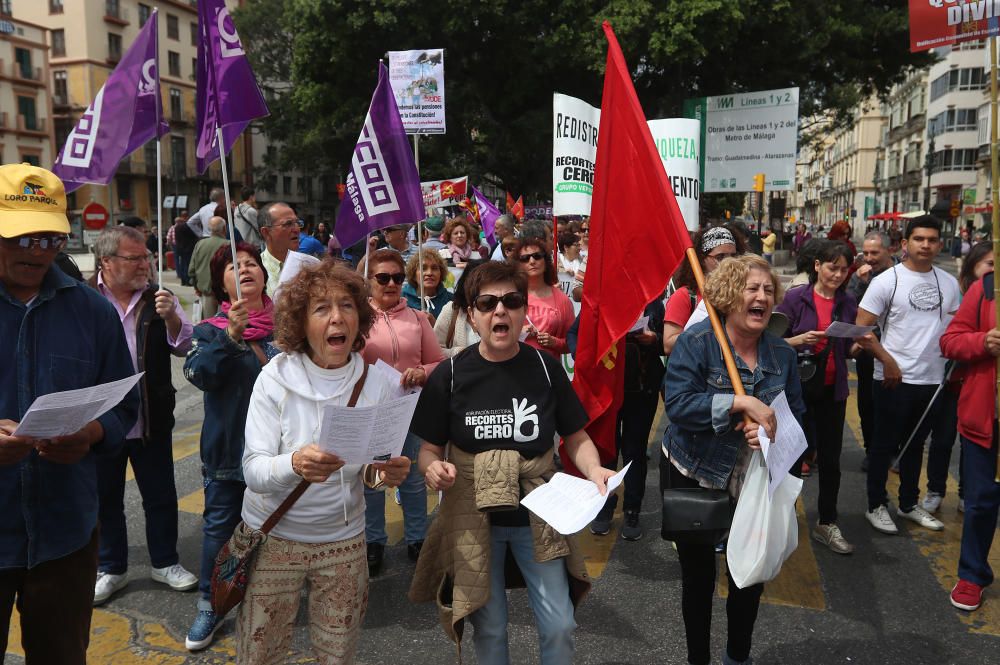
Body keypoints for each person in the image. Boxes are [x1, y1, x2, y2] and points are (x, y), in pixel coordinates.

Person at [409, 260, 615, 664]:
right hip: (474, 517)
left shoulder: (545, 367)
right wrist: (432, 468)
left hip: (537, 515)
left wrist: (594, 470)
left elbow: (576, 437)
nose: (499, 311)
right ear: (471, 314)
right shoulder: (448, 375)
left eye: (511, 301)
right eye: (486, 303)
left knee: (559, 623)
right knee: (490, 627)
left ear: (524, 311)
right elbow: (429, 450)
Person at [236, 260, 411, 663]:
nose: (337, 317)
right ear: (301, 322)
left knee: (337, 653)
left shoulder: (378, 382)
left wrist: (386, 473)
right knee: (261, 653)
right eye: (321, 308)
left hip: (344, 543)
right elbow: (254, 470)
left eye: (347, 306)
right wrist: (294, 463)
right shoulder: (274, 378)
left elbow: (370, 471)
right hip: (275, 538)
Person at [0, 163, 139, 663]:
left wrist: (95, 432)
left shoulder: (93, 311)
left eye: (49, 239)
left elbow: (126, 405)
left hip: (66, 534)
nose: (37, 252)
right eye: (21, 237)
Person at [662, 254, 804, 665]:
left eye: (767, 290)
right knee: (699, 577)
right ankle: (698, 659)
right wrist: (739, 403)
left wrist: (771, 433)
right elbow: (679, 405)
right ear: (727, 294)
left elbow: (797, 418)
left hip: (754, 482)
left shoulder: (782, 354)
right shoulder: (698, 342)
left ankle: (737, 656)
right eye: (751, 288)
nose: (762, 297)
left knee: (749, 574)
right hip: (694, 472)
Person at [88, 225, 198, 605]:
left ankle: (165, 561)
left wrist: (171, 319)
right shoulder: (84, 299)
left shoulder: (158, 297)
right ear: (106, 262)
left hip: (151, 415)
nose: (144, 265)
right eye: (134, 258)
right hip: (101, 421)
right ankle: (111, 567)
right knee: (105, 497)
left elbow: (185, 346)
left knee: (160, 493)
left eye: (146, 257)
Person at [181, 242, 276, 650]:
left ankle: (268, 603)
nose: (245, 269)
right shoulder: (208, 330)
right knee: (220, 531)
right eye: (234, 266)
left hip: (279, 454)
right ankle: (211, 604)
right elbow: (199, 374)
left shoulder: (290, 327)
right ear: (221, 283)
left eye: (252, 263)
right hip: (228, 454)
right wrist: (231, 336)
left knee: (275, 532)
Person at [856, 216, 961, 536]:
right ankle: (876, 505)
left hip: (932, 380)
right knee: (883, 445)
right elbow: (862, 330)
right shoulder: (887, 281)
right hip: (892, 379)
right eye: (919, 239)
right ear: (905, 244)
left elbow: (955, 328)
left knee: (916, 446)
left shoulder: (949, 283)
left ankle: (908, 503)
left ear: (940, 244)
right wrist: (887, 362)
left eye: (932, 240)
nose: (926, 245)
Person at [361, 249, 445, 575]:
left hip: (410, 408)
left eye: (397, 277)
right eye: (383, 277)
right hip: (371, 411)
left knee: (410, 477)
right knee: (372, 478)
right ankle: (374, 541)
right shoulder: (358, 318)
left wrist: (423, 371)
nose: (392, 283)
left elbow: (438, 360)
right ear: (370, 281)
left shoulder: (418, 318)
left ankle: (416, 538)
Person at [776, 241, 858, 554]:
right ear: (817, 266)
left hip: (833, 390)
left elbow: (848, 346)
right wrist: (799, 339)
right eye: (832, 267)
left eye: (843, 269)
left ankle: (827, 521)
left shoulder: (847, 302)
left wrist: (857, 346)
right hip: (797, 390)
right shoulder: (796, 298)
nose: (837, 274)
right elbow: (773, 338)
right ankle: (781, 520)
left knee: (831, 459)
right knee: (791, 456)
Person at [940, 268, 1000, 613]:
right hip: (985, 419)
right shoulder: (987, 287)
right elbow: (950, 341)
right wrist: (983, 342)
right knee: (979, 503)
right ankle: (972, 574)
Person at [590, 294, 665, 541]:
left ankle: (632, 509)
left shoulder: (654, 301)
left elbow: (669, 340)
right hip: (609, 388)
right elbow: (577, 333)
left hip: (643, 389)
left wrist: (653, 340)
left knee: (635, 451)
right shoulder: (603, 297)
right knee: (607, 449)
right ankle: (605, 505)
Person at [847, 231, 897, 468]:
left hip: (895, 349)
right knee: (867, 401)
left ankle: (893, 449)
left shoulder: (900, 275)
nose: (869, 258)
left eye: (874, 253)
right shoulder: (860, 277)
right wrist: (859, 283)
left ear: (890, 250)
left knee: (893, 403)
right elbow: (850, 309)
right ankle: (872, 449)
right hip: (868, 351)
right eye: (865, 253)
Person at [663, 227, 742, 355]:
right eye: (720, 257)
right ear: (702, 259)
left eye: (733, 256)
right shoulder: (685, 296)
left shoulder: (744, 293)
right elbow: (668, 345)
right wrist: (711, 334)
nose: (729, 263)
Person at [511, 238, 575, 358]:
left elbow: (571, 342)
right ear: (518, 265)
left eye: (537, 256)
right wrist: (517, 334)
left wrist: (554, 342)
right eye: (525, 258)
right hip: (514, 368)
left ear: (545, 261)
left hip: (549, 370)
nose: (532, 261)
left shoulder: (562, 300)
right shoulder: (510, 296)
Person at [434, 259, 485, 357]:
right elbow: (434, 351)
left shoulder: (498, 310)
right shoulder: (452, 310)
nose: (478, 289)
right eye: (474, 283)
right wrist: (458, 353)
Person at [189, 216, 229, 320]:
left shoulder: (200, 244)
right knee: (225, 326)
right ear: (224, 228)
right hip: (225, 295)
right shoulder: (229, 245)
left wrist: (196, 287)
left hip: (206, 293)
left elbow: (192, 270)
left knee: (208, 326)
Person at [259, 202, 302, 295]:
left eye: (297, 223)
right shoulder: (256, 272)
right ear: (266, 232)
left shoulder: (310, 265)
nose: (297, 229)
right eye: (288, 224)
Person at [402, 249, 453, 324]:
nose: (429, 273)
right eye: (423, 268)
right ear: (413, 274)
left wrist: (435, 325)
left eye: (434, 268)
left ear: (441, 273)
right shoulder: (401, 300)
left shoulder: (451, 301)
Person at [174, 214, 200, 286]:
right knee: (188, 265)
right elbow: (194, 236)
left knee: (182, 264)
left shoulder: (176, 227)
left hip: (180, 248)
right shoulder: (187, 227)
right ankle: (188, 280)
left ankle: (183, 281)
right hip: (188, 248)